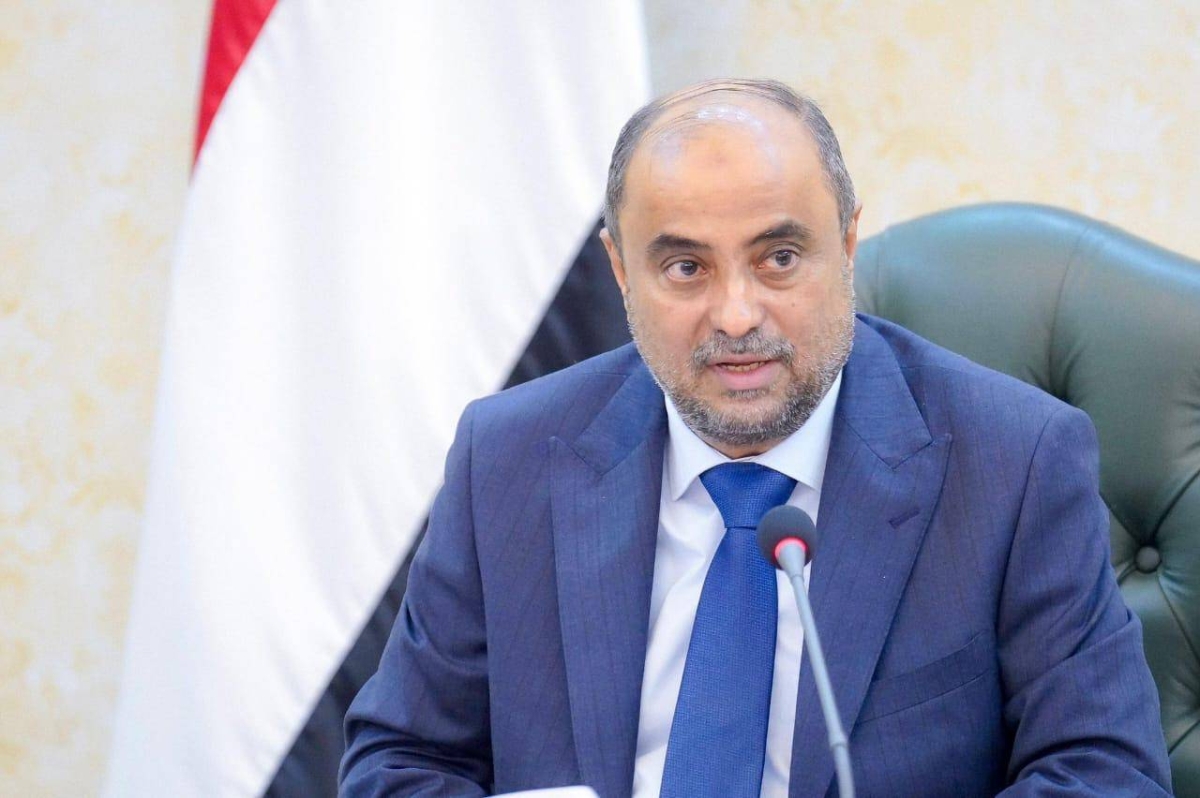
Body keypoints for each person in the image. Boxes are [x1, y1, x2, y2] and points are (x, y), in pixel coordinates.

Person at [340, 79, 1171, 797]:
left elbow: (1106, 772)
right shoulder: (510, 457)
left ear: (846, 243)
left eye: (778, 258)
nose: (736, 316)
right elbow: (402, 760)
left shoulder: (1013, 462)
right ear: (621, 271)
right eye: (686, 268)